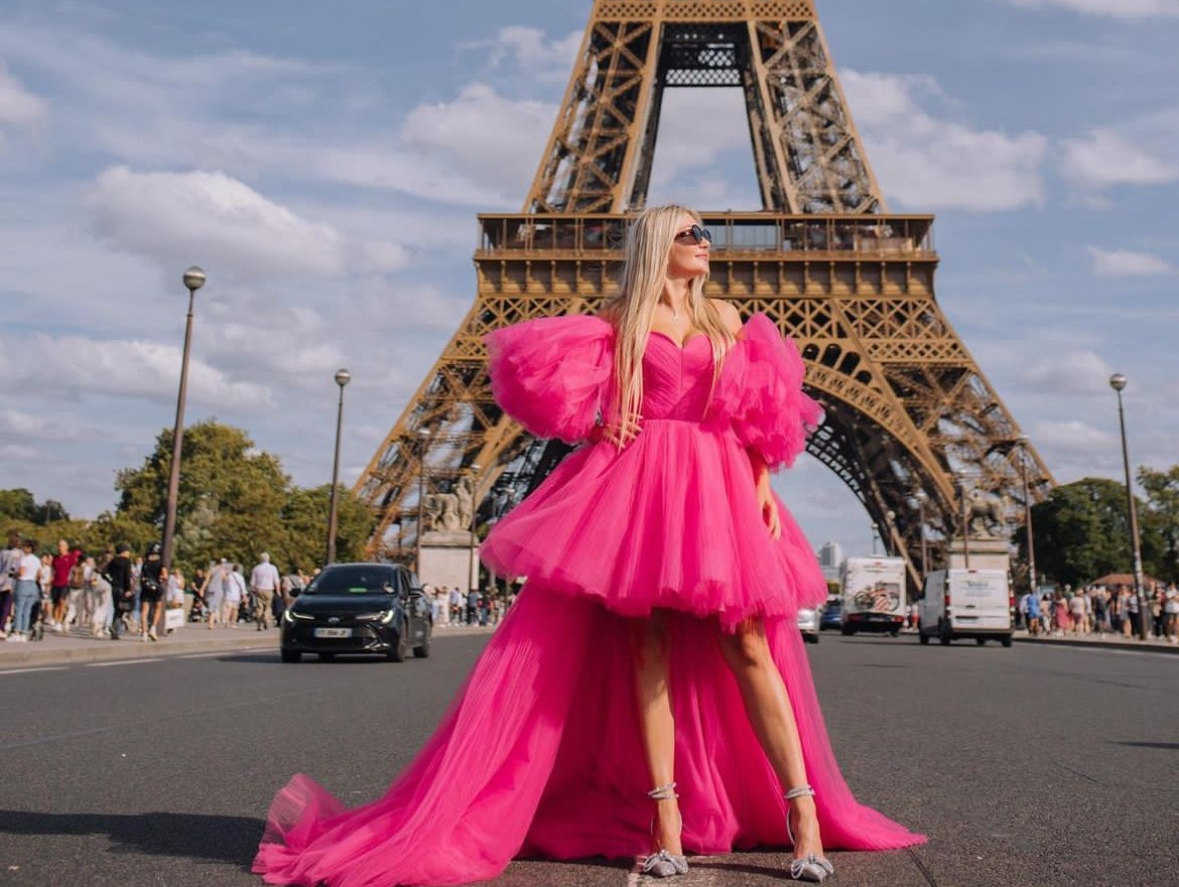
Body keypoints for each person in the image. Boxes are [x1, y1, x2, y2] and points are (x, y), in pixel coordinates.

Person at [255, 205, 923, 887]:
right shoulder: (616, 320)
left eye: (704, 233)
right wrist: (605, 423)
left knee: (748, 645)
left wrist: (756, 486)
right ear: (658, 243)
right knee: (649, 649)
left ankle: (801, 812)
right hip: (640, 489)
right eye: (690, 233)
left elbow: (751, 411)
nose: (704, 243)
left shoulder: (724, 317)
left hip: (717, 487)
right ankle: (664, 820)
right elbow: (565, 400)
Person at [138, 542, 166, 641]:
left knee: (144, 612)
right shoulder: (160, 563)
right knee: (157, 608)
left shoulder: (145, 563)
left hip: (146, 588)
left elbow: (141, 576)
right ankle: (153, 628)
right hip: (156, 588)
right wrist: (161, 578)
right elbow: (164, 576)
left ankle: (144, 633)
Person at [250, 553, 282, 630]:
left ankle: (259, 623)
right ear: (268, 559)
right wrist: (278, 591)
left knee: (259, 606)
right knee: (268, 606)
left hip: (259, 589)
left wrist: (253, 590)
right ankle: (266, 618)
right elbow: (276, 581)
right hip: (269, 589)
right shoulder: (273, 568)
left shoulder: (256, 568)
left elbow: (252, 582)